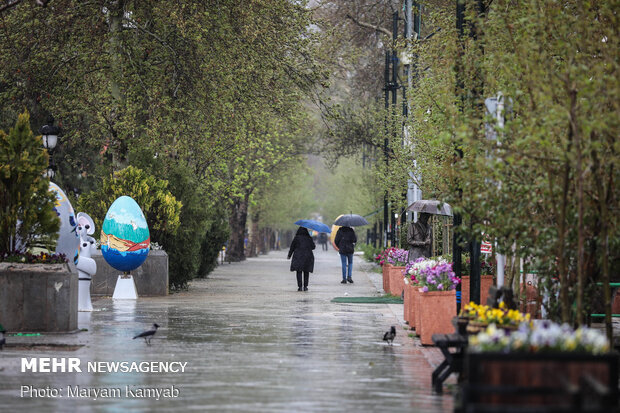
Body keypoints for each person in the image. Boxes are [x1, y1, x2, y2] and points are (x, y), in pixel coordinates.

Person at [287, 227, 316, 291]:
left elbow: (292, 247)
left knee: (299, 271)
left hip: (298, 256)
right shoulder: (309, 238)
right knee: (306, 271)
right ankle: (305, 287)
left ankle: (300, 286)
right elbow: (313, 247)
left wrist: (289, 255)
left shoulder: (296, 238)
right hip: (308, 256)